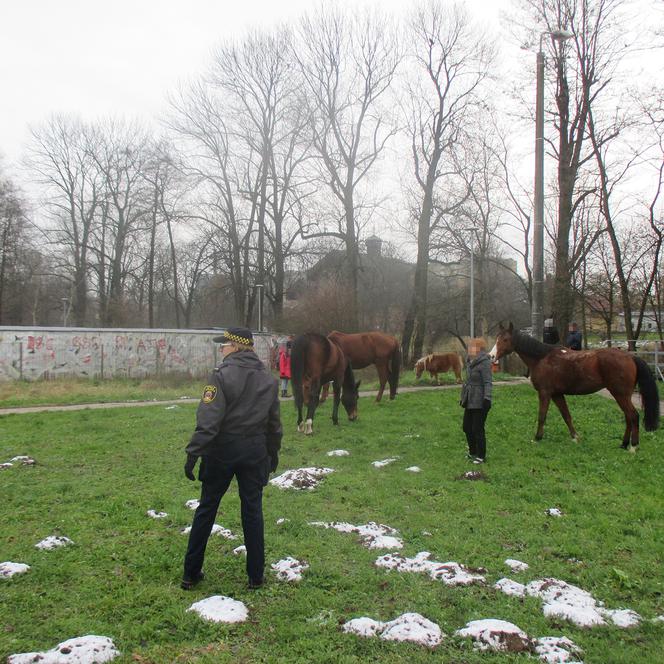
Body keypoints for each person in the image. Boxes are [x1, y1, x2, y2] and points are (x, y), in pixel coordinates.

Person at [181, 326, 282, 591]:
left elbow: (208, 420)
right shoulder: (269, 380)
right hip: (254, 451)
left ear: (236, 346)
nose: (222, 349)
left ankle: (190, 574)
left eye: (224, 345)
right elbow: (274, 424)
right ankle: (256, 576)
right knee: (252, 511)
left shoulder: (220, 376)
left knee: (207, 508)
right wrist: (273, 452)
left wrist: (194, 452)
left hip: (222, 451)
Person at [460, 338, 493, 464]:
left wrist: (487, 398)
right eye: (469, 347)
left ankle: (481, 456)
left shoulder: (484, 363)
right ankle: (472, 452)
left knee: (477, 428)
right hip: (470, 400)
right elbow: (467, 382)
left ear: (478, 349)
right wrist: (463, 398)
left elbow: (488, 382)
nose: (469, 349)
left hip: (480, 401)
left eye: (471, 347)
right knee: (466, 427)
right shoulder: (469, 362)